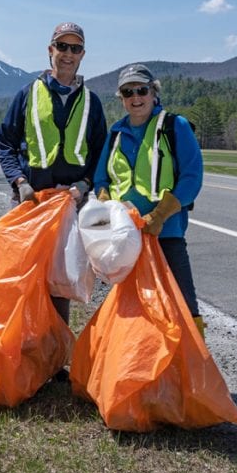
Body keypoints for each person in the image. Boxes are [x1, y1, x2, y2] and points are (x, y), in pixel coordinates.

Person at [0, 21, 108, 328]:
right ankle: (24, 349)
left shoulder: (91, 102)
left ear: (82, 54)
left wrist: (85, 184)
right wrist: (19, 182)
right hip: (30, 202)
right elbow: (5, 142)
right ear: (50, 51)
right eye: (62, 46)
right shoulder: (27, 94)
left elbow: (101, 151)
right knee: (24, 277)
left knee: (60, 281)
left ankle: (55, 356)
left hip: (68, 205)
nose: (67, 54)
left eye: (75, 48)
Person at [92, 63, 207, 337]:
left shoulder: (173, 126)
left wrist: (159, 215)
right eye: (127, 92)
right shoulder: (116, 133)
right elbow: (101, 180)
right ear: (121, 98)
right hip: (126, 238)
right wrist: (106, 201)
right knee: (132, 308)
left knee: (182, 303)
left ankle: (190, 370)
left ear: (153, 92)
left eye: (141, 90)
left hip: (166, 234)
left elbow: (192, 176)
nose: (136, 97)